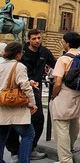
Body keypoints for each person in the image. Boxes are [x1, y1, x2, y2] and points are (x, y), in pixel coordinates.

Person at [6, 29, 56, 162]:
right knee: (13, 121)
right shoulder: (21, 52)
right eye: (34, 38)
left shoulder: (45, 52)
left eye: (39, 38)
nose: (37, 41)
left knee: (38, 119)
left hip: (35, 89)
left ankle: (31, 148)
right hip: (18, 89)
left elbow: (55, 65)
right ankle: (14, 152)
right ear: (28, 39)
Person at [49, 31, 80, 163]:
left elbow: (58, 82)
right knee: (75, 122)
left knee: (61, 124)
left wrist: (54, 96)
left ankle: (65, 159)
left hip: (65, 94)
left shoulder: (63, 59)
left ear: (67, 44)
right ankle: (70, 147)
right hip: (79, 94)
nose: (63, 44)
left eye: (64, 42)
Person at [0, 42, 38, 163]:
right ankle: (24, 161)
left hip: (1, 106)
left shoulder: (0, 65)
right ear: (17, 54)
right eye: (22, 52)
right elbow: (25, 87)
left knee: (1, 136)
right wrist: (33, 103)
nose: (22, 54)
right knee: (29, 134)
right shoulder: (19, 66)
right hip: (16, 107)